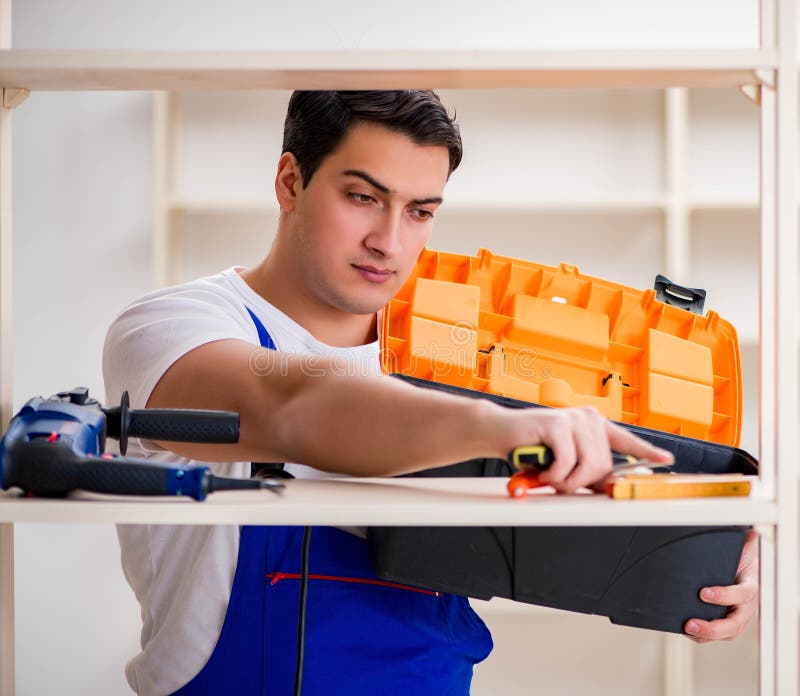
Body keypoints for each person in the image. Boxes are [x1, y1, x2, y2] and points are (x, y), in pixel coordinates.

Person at [103, 90, 758, 696]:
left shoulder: (459, 350)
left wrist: (714, 549)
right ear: (291, 182)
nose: (390, 241)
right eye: (363, 197)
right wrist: (502, 426)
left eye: (419, 211)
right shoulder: (171, 328)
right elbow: (289, 406)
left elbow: (572, 525)